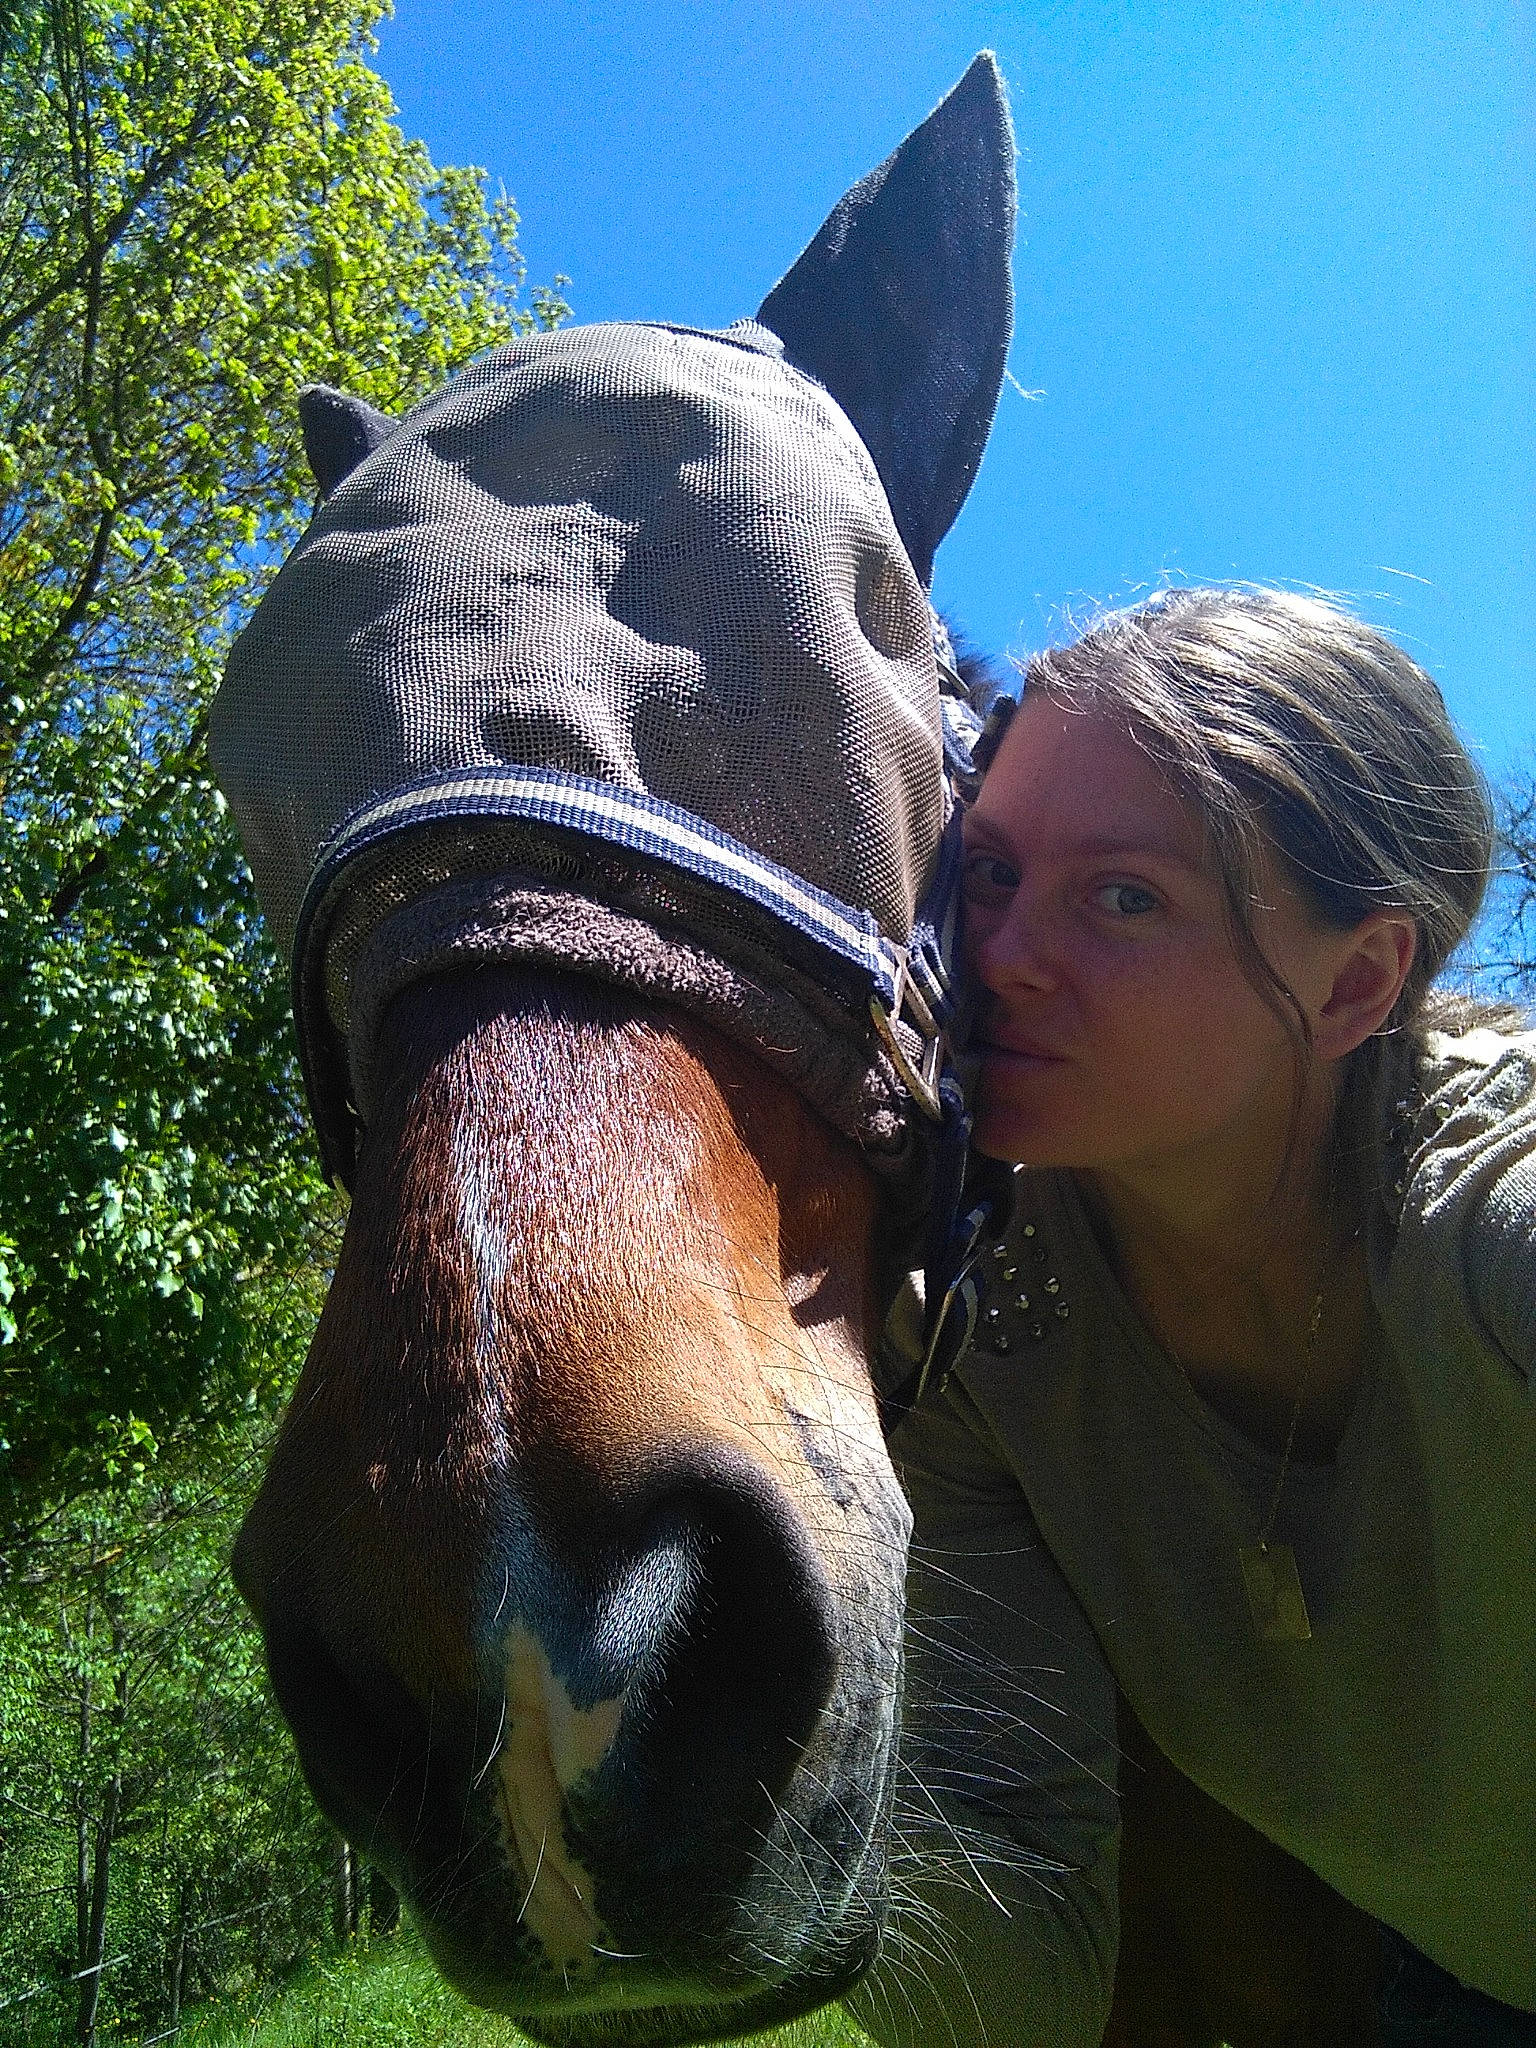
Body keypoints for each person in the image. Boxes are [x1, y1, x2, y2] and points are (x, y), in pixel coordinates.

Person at [854, 588, 1535, 2048]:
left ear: (1356, 983)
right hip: (1437, 1983)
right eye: (989, 873)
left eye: (1124, 898)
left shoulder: (1495, 1226)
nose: (1000, 955)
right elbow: (1013, 1906)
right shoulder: (980, 1337)